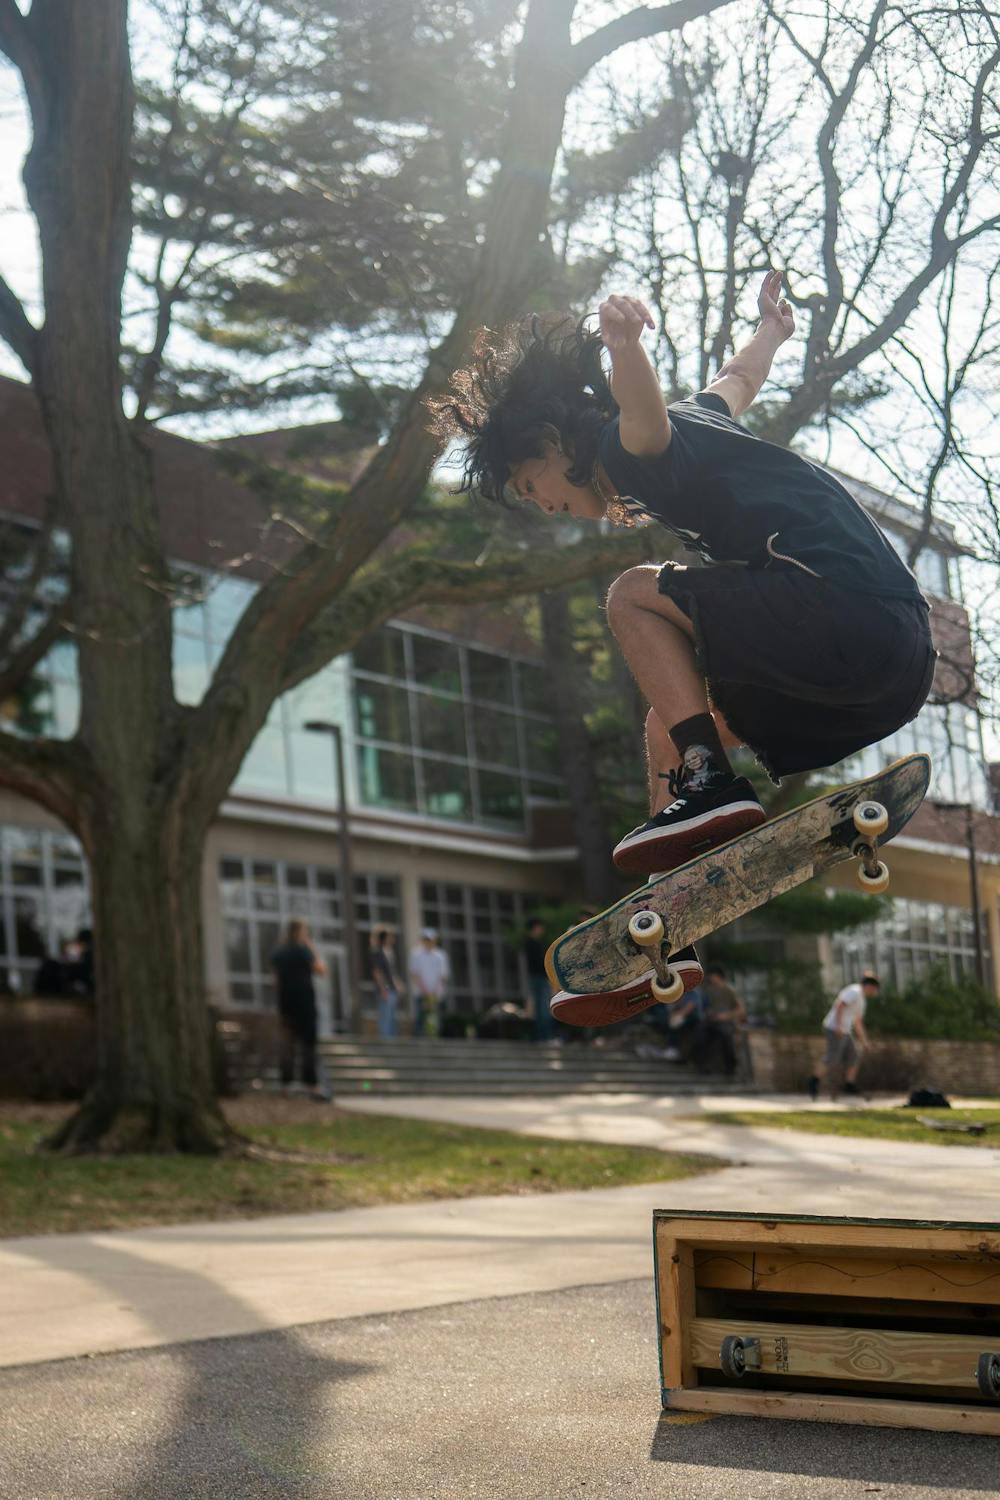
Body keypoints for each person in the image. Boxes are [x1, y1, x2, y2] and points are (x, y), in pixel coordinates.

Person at [428, 273, 935, 1026]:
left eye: (531, 482)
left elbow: (639, 413)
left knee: (634, 594)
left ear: (553, 442)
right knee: (668, 723)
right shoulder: (701, 423)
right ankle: (674, 917)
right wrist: (772, 332)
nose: (540, 502)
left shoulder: (625, 448)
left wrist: (626, 347)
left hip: (843, 616)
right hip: (891, 667)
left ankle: (710, 782)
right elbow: (739, 378)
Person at [271, 918, 327, 1098]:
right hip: (304, 1003)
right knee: (308, 1045)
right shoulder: (303, 951)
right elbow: (321, 970)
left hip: (286, 1005)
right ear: (300, 932)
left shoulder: (279, 953)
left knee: (287, 1046)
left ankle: (285, 1086)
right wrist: (313, 949)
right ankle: (311, 1085)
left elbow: (275, 981)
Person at [808, 972, 878, 1100]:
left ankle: (849, 1084)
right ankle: (814, 1081)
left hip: (845, 1030)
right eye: (874, 989)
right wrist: (839, 1026)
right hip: (834, 1028)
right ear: (869, 986)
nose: (875, 992)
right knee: (832, 1058)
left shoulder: (862, 1000)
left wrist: (864, 1042)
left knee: (853, 1057)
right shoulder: (854, 991)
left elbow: (857, 1022)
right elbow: (840, 1005)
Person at [696, 963, 748, 1078]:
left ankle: (730, 1068)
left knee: (726, 1038)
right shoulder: (709, 990)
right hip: (711, 1020)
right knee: (701, 1035)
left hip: (726, 1022)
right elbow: (705, 1006)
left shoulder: (730, 990)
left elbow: (741, 1010)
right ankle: (703, 1066)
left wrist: (726, 1016)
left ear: (717, 976)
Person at [408, 929, 451, 1037]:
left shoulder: (441, 955)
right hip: (421, 994)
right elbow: (414, 974)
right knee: (420, 1019)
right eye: (426, 939)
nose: (428, 942)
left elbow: (443, 976)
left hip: (437, 995)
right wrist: (425, 991)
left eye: (430, 940)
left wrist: (434, 992)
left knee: (437, 1020)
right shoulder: (416, 954)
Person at [523, 918, 553, 1042]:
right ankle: (543, 1036)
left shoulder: (534, 943)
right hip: (539, 978)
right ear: (535, 927)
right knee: (543, 1008)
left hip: (536, 977)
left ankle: (541, 1036)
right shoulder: (531, 943)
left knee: (540, 1007)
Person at [370, 928, 402, 1038]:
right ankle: (385, 1041)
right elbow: (377, 972)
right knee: (385, 1017)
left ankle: (392, 1041)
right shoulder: (377, 953)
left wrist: (398, 984)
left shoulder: (391, 953)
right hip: (385, 990)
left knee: (392, 1018)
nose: (392, 939)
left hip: (392, 989)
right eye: (389, 937)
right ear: (384, 939)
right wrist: (383, 989)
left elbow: (392, 972)